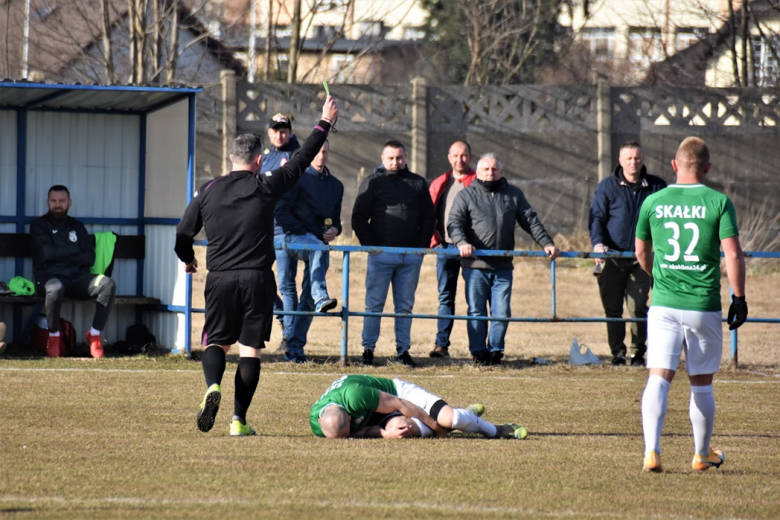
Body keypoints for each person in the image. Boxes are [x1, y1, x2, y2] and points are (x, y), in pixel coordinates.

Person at [175, 96, 338, 437]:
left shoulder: (208, 190)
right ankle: (238, 421)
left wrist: (188, 259)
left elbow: (182, 232)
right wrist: (324, 121)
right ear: (260, 160)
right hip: (257, 280)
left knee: (216, 344)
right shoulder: (266, 185)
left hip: (219, 279)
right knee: (250, 351)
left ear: (231, 158)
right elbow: (302, 158)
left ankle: (212, 387)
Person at [635, 136, 747, 473]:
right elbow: (733, 254)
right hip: (702, 304)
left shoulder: (653, 201)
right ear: (708, 168)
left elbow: (641, 251)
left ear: (674, 165)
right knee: (701, 383)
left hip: (664, 304)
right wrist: (738, 298)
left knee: (658, 377)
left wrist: (660, 275)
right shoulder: (718, 202)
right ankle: (701, 454)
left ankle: (652, 452)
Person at [448, 154, 560, 366]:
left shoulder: (513, 195)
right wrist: (461, 243)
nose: (491, 173)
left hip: (503, 267)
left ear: (501, 172)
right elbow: (454, 223)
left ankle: (496, 351)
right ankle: (479, 353)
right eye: (486, 169)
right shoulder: (466, 196)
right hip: (475, 266)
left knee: (501, 312)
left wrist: (546, 242)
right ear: (478, 172)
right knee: (476, 311)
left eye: (494, 169)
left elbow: (530, 221)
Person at [351, 140, 435, 367]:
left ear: (405, 158)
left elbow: (429, 218)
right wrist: (372, 247)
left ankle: (403, 352)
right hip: (381, 256)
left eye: (399, 158)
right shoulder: (372, 182)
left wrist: (420, 249)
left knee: (405, 306)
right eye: (390, 158)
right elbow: (358, 217)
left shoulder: (417, 183)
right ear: (382, 158)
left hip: (410, 257)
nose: (395, 162)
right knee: (374, 305)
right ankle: (368, 351)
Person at [589, 142, 667, 367]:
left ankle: (637, 353)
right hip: (611, 259)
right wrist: (598, 244)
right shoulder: (607, 187)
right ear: (620, 161)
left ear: (642, 159)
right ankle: (617, 353)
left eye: (637, 158)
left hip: (641, 259)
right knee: (612, 308)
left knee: (638, 307)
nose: (633, 162)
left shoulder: (656, 186)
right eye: (629, 158)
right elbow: (596, 219)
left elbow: (664, 220)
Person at [274, 140, 344, 363]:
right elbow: (281, 212)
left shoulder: (336, 185)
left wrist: (336, 229)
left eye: (325, 151)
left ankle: (295, 349)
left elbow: (335, 219)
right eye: (317, 152)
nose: (321, 156)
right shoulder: (295, 177)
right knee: (289, 285)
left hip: (319, 246)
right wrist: (306, 232)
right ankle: (320, 294)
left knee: (307, 300)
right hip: (293, 237)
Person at [30, 185, 117, 358]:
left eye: (62, 201)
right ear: (48, 202)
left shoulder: (78, 226)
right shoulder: (39, 225)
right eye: (54, 201)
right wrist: (73, 250)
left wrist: (59, 253)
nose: (58, 204)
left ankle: (94, 334)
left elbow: (89, 258)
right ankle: (54, 336)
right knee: (55, 288)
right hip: (50, 278)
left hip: (78, 278)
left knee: (107, 284)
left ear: (69, 203)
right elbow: (46, 253)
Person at [311, 374, 527, 440]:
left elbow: (402, 405)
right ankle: (468, 415)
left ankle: (494, 429)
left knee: (451, 420)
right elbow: (361, 432)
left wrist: (438, 428)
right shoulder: (320, 424)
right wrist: (385, 434)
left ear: (349, 417)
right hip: (374, 414)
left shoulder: (356, 396)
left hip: (397, 395)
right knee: (403, 430)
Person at [428, 140, 477, 358]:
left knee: (475, 299)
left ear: (470, 156)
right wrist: (435, 242)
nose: (460, 160)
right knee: (445, 297)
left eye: (464, 155)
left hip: (472, 250)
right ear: (449, 157)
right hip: (445, 249)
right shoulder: (440, 182)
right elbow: (428, 214)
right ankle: (441, 345)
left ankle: (477, 348)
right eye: (455, 155)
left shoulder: (479, 181)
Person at [264, 113, 301, 351]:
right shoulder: (265, 158)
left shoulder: (297, 156)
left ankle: (289, 337)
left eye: (284, 130)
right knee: (260, 281)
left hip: (286, 231)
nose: (280, 134)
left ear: (290, 132)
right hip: (262, 230)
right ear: (269, 133)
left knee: (286, 284)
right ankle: (282, 317)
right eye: (276, 130)